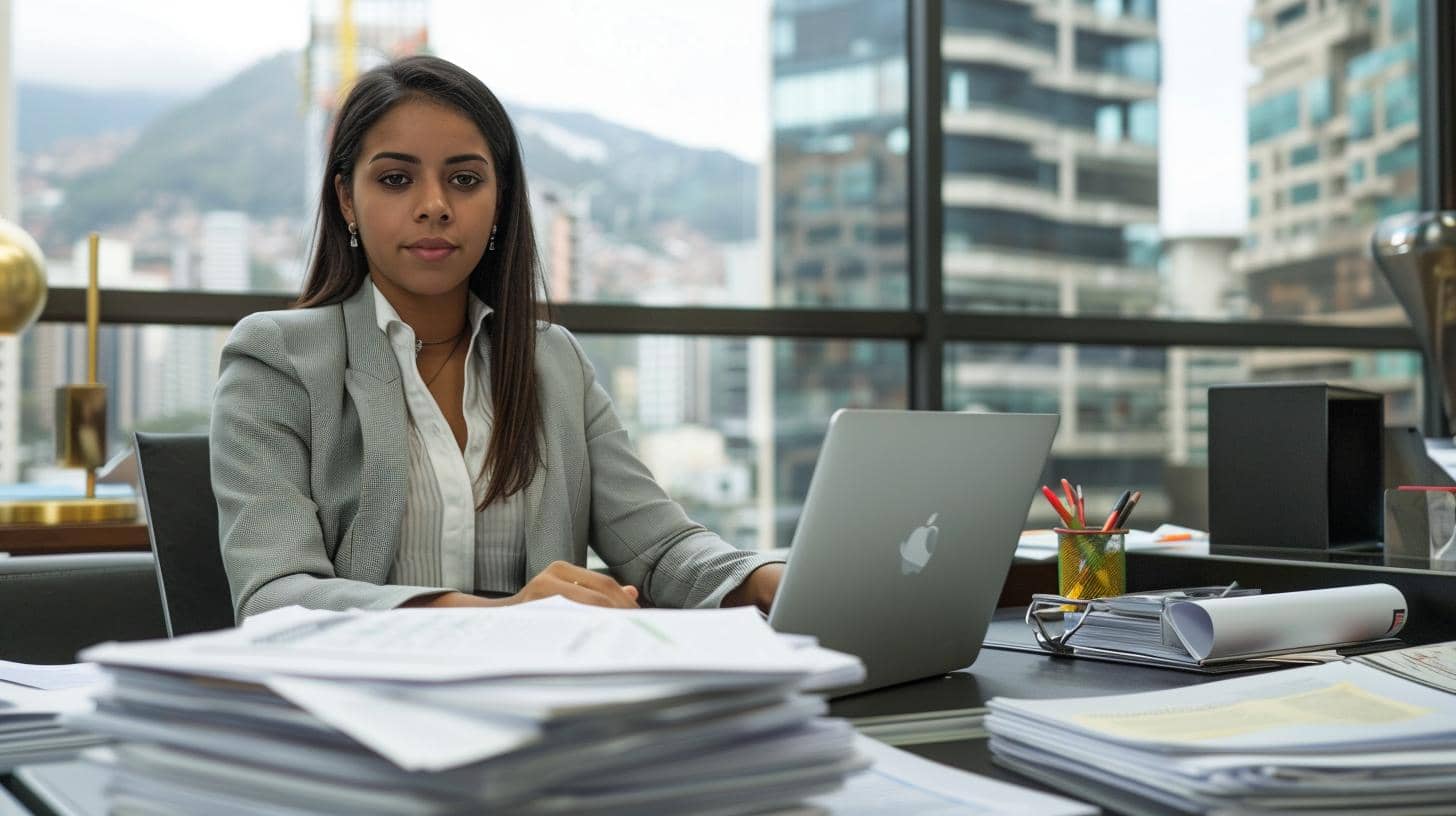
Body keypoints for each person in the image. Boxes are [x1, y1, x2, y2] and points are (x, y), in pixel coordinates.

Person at [211, 55, 784, 621]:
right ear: (345, 200)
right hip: (363, 703)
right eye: (395, 179)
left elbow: (659, 548)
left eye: (464, 179)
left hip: (540, 700)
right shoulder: (276, 359)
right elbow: (276, 596)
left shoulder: (552, 361)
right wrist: (502, 614)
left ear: (500, 199)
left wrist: (769, 579)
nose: (434, 206)